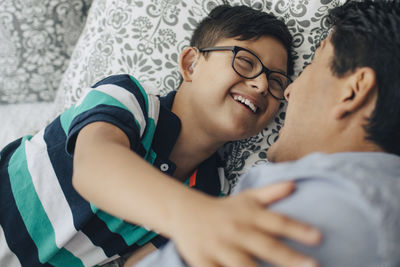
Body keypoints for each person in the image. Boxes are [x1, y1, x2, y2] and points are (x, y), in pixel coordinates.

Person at [0, 5, 323, 267]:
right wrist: (194, 215)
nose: (262, 85)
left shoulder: (213, 191)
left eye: (277, 81)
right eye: (245, 62)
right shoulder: (129, 99)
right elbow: (95, 167)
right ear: (192, 64)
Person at [135, 1, 400, 267]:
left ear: (352, 91)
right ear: (191, 64)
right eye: (245, 62)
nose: (287, 93)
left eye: (312, 64)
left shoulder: (333, 206)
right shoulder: (134, 105)